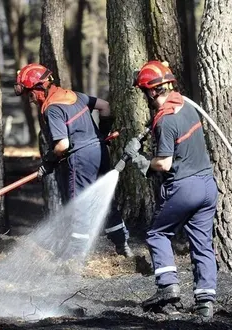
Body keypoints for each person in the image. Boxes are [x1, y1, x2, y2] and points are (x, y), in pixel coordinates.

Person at [123, 60, 218, 318]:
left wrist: (138, 159)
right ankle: (205, 303)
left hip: (185, 188)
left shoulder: (165, 121)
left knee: (156, 233)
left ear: (153, 91)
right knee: (202, 244)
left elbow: (164, 164)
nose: (144, 97)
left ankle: (168, 288)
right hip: (208, 187)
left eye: (144, 91)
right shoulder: (186, 106)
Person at [14, 63, 133, 258]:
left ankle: (76, 256)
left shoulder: (52, 108)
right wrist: (101, 135)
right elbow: (105, 107)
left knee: (80, 204)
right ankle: (122, 244)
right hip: (100, 153)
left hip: (81, 159)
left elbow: (62, 145)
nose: (31, 100)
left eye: (30, 94)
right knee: (104, 199)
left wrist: (49, 162)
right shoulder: (74, 96)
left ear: (39, 88)